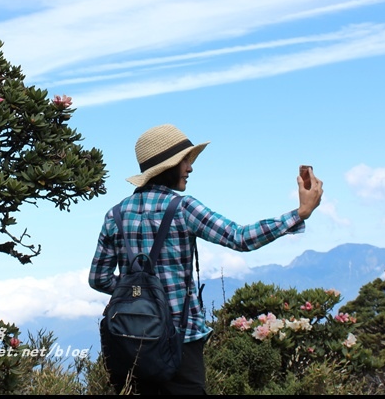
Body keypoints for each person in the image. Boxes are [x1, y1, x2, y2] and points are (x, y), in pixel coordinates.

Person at [88, 124, 323, 395]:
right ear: (170, 165)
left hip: (127, 340)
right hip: (179, 341)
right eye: (186, 160)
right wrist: (300, 214)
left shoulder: (115, 215)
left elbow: (99, 279)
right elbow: (240, 237)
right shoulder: (183, 208)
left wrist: (139, 294)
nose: (190, 168)